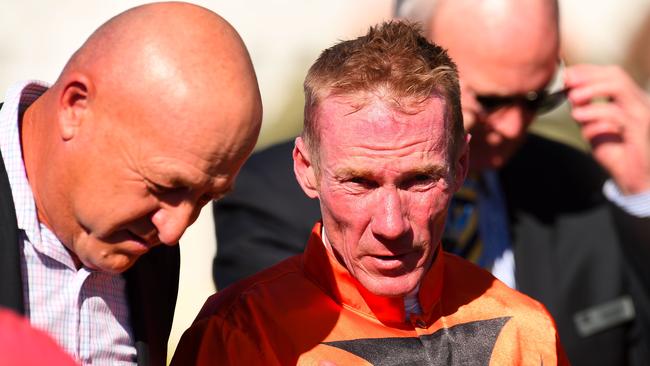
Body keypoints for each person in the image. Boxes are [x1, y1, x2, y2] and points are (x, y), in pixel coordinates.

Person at [212, 0, 650, 364]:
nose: (514, 127)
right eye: (491, 98)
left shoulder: (581, 190)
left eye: (537, 99)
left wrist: (643, 195)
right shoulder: (242, 311)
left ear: (457, 166)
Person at [0, 2, 262, 365]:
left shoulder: (149, 253)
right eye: (164, 186)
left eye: (204, 199)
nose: (173, 232)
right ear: (75, 108)